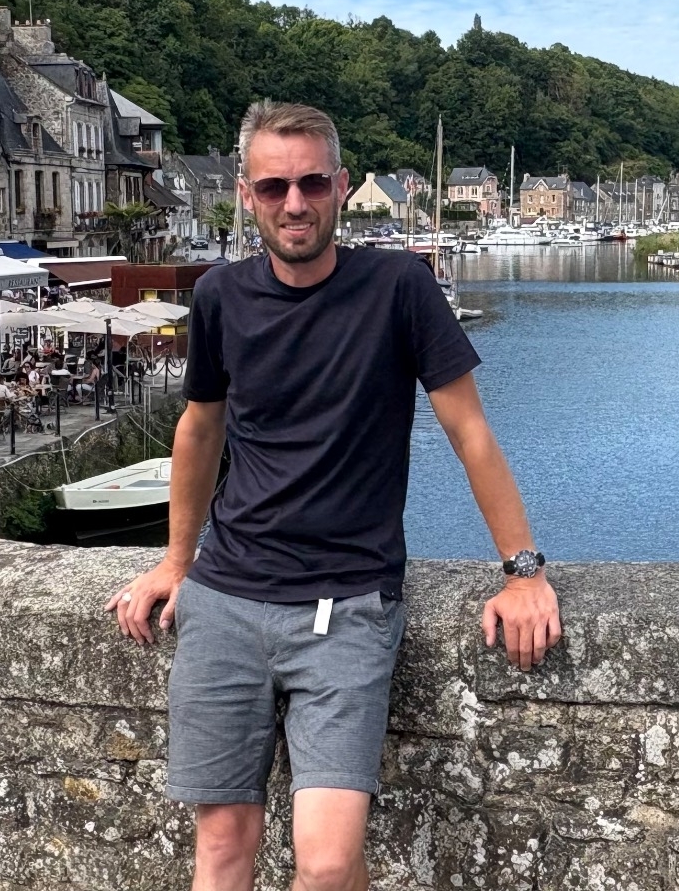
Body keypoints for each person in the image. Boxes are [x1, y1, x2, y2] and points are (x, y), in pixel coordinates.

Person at [105, 101, 561, 891]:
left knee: (324, 863)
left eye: (312, 183)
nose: (294, 203)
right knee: (222, 846)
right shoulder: (220, 296)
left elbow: (469, 432)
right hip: (226, 598)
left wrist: (522, 571)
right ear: (246, 195)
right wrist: (176, 562)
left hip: (345, 603)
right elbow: (200, 429)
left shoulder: (399, 286)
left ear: (341, 187)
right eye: (273, 187)